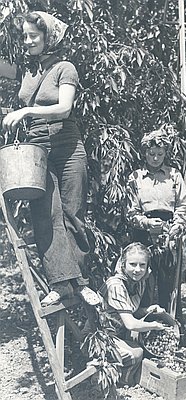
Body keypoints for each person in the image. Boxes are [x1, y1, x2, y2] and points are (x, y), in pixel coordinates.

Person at [0, 11, 99, 306]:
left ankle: (79, 283)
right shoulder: (26, 71)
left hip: (68, 145)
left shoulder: (65, 68)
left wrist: (26, 111)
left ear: (48, 37)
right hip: (36, 148)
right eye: (25, 36)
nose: (28, 41)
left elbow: (64, 108)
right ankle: (59, 282)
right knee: (45, 214)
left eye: (34, 35)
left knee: (73, 213)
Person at [127, 125, 186, 312]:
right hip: (143, 235)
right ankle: (144, 328)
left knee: (170, 283)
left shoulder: (174, 176)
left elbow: (183, 206)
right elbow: (130, 212)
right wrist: (146, 224)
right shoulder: (135, 178)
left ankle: (172, 328)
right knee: (144, 281)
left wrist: (177, 226)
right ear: (144, 153)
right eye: (151, 154)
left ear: (165, 154)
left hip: (169, 233)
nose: (155, 159)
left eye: (159, 155)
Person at [98, 242, 166, 386]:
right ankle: (120, 383)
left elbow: (131, 311)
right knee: (136, 354)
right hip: (102, 335)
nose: (137, 269)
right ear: (123, 264)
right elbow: (130, 323)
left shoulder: (139, 282)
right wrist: (154, 325)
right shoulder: (115, 285)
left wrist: (149, 309)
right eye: (133, 264)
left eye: (142, 265)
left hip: (119, 333)